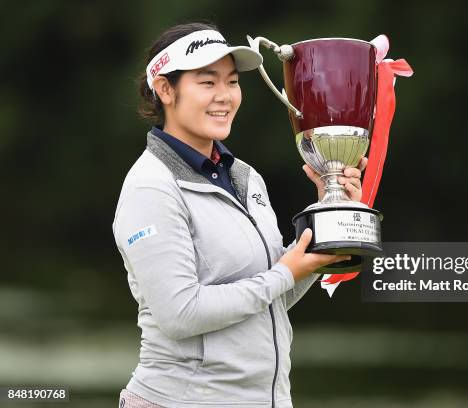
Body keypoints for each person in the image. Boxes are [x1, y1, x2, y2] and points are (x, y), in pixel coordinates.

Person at [112, 21, 366, 408]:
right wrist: (286, 272)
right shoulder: (151, 187)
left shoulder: (245, 176)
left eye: (232, 82)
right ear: (165, 90)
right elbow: (180, 314)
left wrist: (326, 217)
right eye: (207, 82)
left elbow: (270, 295)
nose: (225, 96)